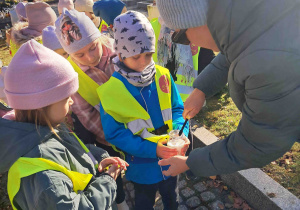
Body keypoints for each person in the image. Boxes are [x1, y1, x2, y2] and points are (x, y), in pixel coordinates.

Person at [157, 0, 300, 177]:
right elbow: (234, 50)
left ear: (196, 19)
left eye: (181, 37)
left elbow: (256, 144)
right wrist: (201, 89)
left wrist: (190, 162)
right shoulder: (252, 16)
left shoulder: (267, 62)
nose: (188, 43)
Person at [0, 39, 128, 210]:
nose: (71, 102)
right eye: (66, 97)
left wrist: (98, 158)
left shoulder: (45, 128)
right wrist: (108, 181)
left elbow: (71, 152)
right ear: (41, 105)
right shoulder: (44, 178)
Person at [98, 11, 190, 210]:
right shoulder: (111, 91)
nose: (143, 62)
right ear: (121, 55)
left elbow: (177, 108)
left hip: (171, 160)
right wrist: (152, 149)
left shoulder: (163, 75)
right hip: (141, 167)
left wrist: (179, 134)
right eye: (135, 56)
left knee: (172, 199)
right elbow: (115, 133)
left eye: (148, 54)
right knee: (144, 203)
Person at [55, 9, 129, 210]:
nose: (89, 57)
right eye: (79, 54)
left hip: (137, 123)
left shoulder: (118, 51)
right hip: (105, 134)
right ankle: (120, 200)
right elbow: (87, 115)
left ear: (99, 38)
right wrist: (116, 138)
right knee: (111, 167)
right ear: (69, 53)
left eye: (93, 48)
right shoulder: (72, 74)